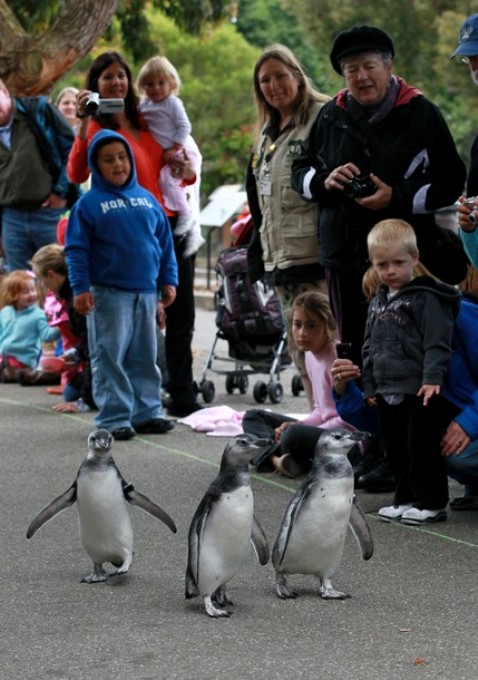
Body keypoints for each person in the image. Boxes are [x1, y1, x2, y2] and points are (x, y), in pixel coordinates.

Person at [291, 25, 467, 354]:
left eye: (369, 67)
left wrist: (396, 197)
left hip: (405, 258)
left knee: (411, 348)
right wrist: (324, 181)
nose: (361, 77)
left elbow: (451, 180)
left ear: (388, 67)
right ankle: (359, 406)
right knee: (354, 349)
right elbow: (300, 170)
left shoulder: (421, 113)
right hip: (344, 257)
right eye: (351, 70)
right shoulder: (331, 115)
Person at [67, 51, 202, 418]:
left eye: (121, 76)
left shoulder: (150, 117)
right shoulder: (97, 125)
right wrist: (83, 122)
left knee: (181, 313)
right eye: (107, 77)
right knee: (119, 326)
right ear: (95, 85)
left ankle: (181, 390)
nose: (115, 83)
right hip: (120, 230)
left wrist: (186, 168)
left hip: (165, 221)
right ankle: (111, 399)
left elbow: (178, 171)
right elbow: (77, 173)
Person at [65, 130, 178, 440]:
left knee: (145, 356)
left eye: (122, 157)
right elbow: (76, 250)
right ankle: (114, 416)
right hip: (107, 294)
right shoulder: (87, 205)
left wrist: (168, 280)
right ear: (95, 165)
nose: (118, 164)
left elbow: (164, 244)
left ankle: (147, 412)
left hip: (145, 293)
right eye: (108, 159)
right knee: (109, 356)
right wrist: (81, 288)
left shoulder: (147, 199)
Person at [362, 219, 460, 525]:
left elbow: (437, 342)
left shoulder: (426, 297)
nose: (390, 270)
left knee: (422, 448)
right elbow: (369, 345)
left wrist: (432, 378)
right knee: (395, 449)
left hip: (419, 388)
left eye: (398, 263)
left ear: (415, 258)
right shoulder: (378, 301)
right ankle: (404, 498)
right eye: (382, 264)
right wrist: (369, 384)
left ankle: (431, 501)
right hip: (386, 388)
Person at [246, 44, 330, 402]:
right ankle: (316, 424)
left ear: (297, 74)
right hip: (279, 261)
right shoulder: (267, 133)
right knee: (302, 351)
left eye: (280, 75)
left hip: (316, 257)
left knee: (331, 348)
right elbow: (260, 201)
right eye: (265, 79)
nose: (273, 85)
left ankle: (342, 431)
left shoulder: (323, 117)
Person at [242, 290, 353, 476]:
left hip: (342, 436)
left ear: (327, 326)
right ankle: (280, 459)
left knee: (286, 438)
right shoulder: (309, 354)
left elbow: (346, 419)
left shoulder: (336, 358)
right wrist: (299, 423)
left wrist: (302, 430)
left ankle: (272, 456)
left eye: (311, 326)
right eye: (297, 325)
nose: (302, 333)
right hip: (320, 429)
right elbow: (320, 409)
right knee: (252, 417)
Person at [0, 79, 75, 271]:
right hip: (11, 219)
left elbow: (73, 150)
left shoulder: (36, 111)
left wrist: (60, 191)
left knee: (60, 277)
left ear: (5, 92)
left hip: (49, 213)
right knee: (21, 287)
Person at [136, 55, 205, 259]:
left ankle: (187, 219)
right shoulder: (145, 105)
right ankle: (193, 231)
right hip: (168, 153)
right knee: (170, 185)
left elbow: (185, 126)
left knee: (171, 184)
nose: (156, 88)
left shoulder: (172, 103)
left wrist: (174, 148)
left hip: (181, 149)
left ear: (172, 84)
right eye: (150, 84)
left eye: (161, 83)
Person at [30, 243, 96, 413]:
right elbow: (89, 341)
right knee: (71, 390)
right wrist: (73, 354)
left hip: (115, 360)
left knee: (72, 393)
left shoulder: (77, 299)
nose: (42, 285)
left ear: (51, 275)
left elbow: (94, 348)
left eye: (41, 279)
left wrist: (85, 400)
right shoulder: (70, 293)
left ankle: (96, 397)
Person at [0, 270, 60, 383]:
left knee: (14, 371)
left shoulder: (38, 314)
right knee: (6, 367)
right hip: (4, 356)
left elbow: (46, 335)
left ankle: (18, 374)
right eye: (25, 292)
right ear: (12, 295)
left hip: (23, 359)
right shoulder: (5, 312)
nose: (31, 294)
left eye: (33, 290)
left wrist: (59, 328)